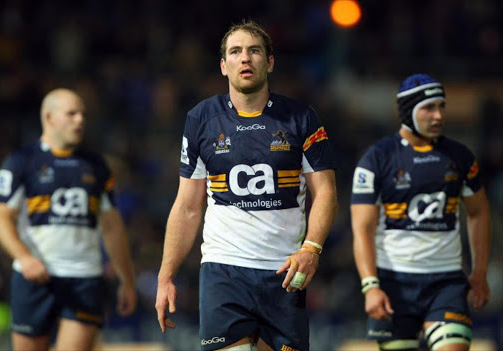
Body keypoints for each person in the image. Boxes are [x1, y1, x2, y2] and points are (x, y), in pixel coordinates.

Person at [155, 20, 338, 351]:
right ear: (224, 66)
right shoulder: (201, 119)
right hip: (224, 270)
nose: (245, 58)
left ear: (269, 62)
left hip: (285, 272)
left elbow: (325, 192)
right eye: (235, 52)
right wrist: (166, 276)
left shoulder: (301, 118)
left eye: (254, 51)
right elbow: (186, 206)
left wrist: (311, 249)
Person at [350, 73, 491, 351]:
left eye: (441, 106)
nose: (438, 115)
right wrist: (370, 286)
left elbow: (479, 212)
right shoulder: (377, 159)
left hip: (446, 283)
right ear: (407, 112)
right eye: (429, 108)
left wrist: (480, 272)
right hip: (393, 283)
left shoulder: (460, 157)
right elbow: (362, 229)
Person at [0, 88, 137, 351]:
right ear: (49, 117)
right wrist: (23, 258)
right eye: (71, 114)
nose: (80, 120)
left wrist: (127, 279)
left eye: (82, 114)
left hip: (84, 277)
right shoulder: (21, 162)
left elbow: (112, 226)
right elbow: (0, 217)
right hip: (35, 278)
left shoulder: (97, 165)